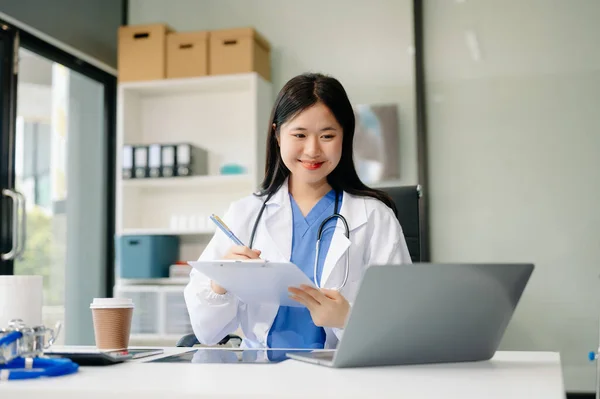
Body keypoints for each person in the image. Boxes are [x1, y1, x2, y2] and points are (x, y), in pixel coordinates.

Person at [184, 72, 412, 350]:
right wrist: (221, 283)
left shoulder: (375, 218)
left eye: (327, 135)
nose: (312, 150)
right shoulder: (244, 214)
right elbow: (206, 332)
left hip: (341, 376)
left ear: (345, 137)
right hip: (260, 377)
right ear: (277, 135)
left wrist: (347, 318)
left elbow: (401, 323)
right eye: (299, 134)